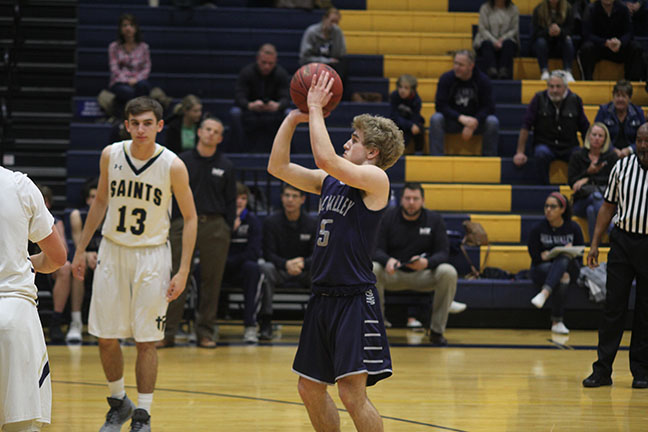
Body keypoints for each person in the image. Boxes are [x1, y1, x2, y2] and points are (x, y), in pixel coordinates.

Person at [267, 70, 404, 432]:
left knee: (351, 394)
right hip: (322, 297)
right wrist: (294, 116)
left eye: (354, 140)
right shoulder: (331, 181)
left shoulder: (377, 180)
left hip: (354, 299)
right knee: (309, 388)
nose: (347, 144)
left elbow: (327, 158)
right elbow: (277, 167)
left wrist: (314, 107)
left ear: (371, 152)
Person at [71, 96, 197, 431]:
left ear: (159, 125)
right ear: (126, 125)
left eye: (147, 123)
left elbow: (191, 217)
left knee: (146, 340)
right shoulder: (111, 154)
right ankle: (118, 402)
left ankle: (143, 413)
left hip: (153, 255)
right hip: (113, 251)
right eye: (135, 123)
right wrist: (81, 248)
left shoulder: (173, 165)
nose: (141, 129)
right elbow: (99, 201)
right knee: (105, 336)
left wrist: (183, 270)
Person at [158, 116, 236, 349]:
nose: (211, 134)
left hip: (215, 226)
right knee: (176, 277)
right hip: (183, 225)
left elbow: (231, 201)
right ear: (199, 133)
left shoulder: (227, 165)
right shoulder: (181, 162)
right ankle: (167, 332)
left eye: (216, 131)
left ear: (220, 138)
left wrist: (226, 227)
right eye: (207, 129)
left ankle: (205, 332)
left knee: (212, 281)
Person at [0, 167, 67, 432]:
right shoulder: (19, 185)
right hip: (15, 314)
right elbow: (57, 257)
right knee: (21, 426)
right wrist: (27, 262)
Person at [583, 122, 648, 389]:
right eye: (640, 140)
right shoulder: (622, 167)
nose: (643, 145)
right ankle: (603, 370)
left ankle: (642, 371)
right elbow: (607, 206)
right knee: (613, 307)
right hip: (622, 241)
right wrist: (595, 242)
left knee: (645, 310)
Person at [372, 183, 467, 345]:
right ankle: (377, 330)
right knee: (373, 268)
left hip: (423, 274)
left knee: (448, 272)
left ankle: (437, 331)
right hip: (393, 273)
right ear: (401, 200)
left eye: (415, 199)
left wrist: (427, 263)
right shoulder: (387, 217)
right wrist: (387, 260)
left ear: (422, 201)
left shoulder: (434, 219)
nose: (411, 202)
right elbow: (374, 249)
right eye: (407, 198)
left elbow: (443, 253)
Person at [259, 183, 317, 341]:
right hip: (280, 270)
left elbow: (318, 255)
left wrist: (303, 264)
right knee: (265, 268)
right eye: (287, 196)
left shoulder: (312, 223)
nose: (290, 200)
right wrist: (286, 264)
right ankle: (265, 321)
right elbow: (268, 254)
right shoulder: (271, 222)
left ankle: (317, 324)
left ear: (302, 199)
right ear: (282, 198)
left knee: (322, 271)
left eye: (294, 196)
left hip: (304, 270)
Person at [513, 70, 590, 184]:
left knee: (579, 155)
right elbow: (526, 126)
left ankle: (576, 187)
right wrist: (520, 152)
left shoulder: (575, 100)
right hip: (545, 145)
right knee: (541, 154)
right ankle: (543, 188)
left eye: (558, 87)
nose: (554, 90)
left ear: (565, 87)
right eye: (551, 86)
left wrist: (591, 152)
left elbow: (585, 128)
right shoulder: (539, 98)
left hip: (569, 146)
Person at [528, 192, 585, 334]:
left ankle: (544, 293)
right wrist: (545, 257)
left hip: (571, 267)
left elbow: (580, 256)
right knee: (562, 276)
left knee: (564, 257)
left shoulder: (573, 228)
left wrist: (569, 252)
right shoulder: (537, 229)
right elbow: (535, 257)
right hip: (542, 269)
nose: (548, 210)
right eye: (546, 206)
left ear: (562, 209)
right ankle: (557, 322)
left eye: (553, 207)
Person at [429, 50, 499, 156]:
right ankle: (436, 158)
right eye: (455, 63)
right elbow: (440, 105)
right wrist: (461, 118)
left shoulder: (483, 80)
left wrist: (474, 122)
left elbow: (489, 107)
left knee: (492, 122)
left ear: (471, 66)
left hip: (475, 122)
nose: (456, 67)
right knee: (436, 119)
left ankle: (489, 158)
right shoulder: (446, 78)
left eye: (461, 65)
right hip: (454, 120)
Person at [223, 182, 265, 344]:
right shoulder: (221, 220)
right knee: (202, 269)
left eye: (243, 198)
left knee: (253, 269)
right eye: (236, 198)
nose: (239, 202)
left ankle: (250, 326)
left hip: (241, 267)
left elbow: (253, 252)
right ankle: (205, 325)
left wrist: (231, 262)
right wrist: (229, 229)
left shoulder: (252, 220)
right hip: (222, 266)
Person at [230, 43, 291, 151]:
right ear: (257, 59)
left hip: (274, 112)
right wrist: (249, 105)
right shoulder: (247, 72)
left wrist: (278, 105)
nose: (267, 66)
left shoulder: (281, 74)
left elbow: (286, 97)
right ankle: (238, 150)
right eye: (264, 63)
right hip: (250, 111)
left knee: (289, 114)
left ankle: (286, 150)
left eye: (270, 63)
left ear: (275, 61)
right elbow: (239, 95)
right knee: (235, 113)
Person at [35, 185, 73, 344]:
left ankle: (56, 321)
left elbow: (62, 252)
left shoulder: (54, 221)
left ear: (49, 204)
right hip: (24, 265)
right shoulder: (21, 216)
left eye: (45, 201)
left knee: (65, 267)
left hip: (45, 266)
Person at [568, 122, 618, 241]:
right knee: (595, 197)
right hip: (581, 201)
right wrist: (588, 172)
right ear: (588, 136)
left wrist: (588, 178)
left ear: (605, 139)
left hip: (606, 200)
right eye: (594, 135)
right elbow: (572, 182)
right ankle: (611, 229)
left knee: (591, 210)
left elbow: (615, 181)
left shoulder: (611, 157)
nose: (596, 138)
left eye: (600, 136)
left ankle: (594, 245)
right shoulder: (577, 156)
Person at [66, 178, 102, 344]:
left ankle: (106, 324)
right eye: (93, 196)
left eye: (99, 196)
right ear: (87, 199)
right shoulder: (77, 215)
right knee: (78, 269)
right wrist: (87, 255)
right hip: (86, 258)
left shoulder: (113, 216)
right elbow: (79, 245)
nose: (96, 200)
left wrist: (100, 258)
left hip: (107, 260)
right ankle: (76, 322)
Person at [578, 0, 644, 81]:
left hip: (618, 47)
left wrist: (620, 42)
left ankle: (632, 82)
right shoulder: (591, 9)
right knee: (586, 48)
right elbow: (586, 34)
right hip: (599, 47)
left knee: (636, 47)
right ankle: (587, 80)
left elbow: (629, 32)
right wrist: (605, 42)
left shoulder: (623, 8)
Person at [108, 13, 152, 119]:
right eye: (125, 25)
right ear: (120, 29)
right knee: (127, 92)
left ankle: (137, 117)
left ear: (136, 28)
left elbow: (146, 68)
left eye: (131, 25)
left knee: (144, 86)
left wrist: (136, 79)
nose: (128, 28)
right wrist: (127, 80)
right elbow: (114, 68)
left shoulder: (144, 47)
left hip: (138, 81)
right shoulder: (114, 47)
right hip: (120, 81)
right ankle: (127, 118)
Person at [299, 8, 348, 99]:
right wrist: (325, 61)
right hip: (314, 64)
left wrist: (336, 35)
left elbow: (340, 54)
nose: (334, 24)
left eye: (336, 22)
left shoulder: (337, 32)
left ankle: (337, 97)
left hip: (330, 65)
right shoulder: (312, 32)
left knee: (343, 65)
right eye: (332, 21)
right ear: (324, 19)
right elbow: (304, 57)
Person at [594, 80, 645, 159]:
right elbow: (596, 133)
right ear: (613, 97)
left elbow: (644, 137)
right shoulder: (603, 111)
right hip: (607, 154)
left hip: (633, 154)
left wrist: (630, 149)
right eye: (617, 96)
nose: (620, 99)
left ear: (629, 98)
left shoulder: (638, 112)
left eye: (624, 96)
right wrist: (612, 149)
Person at [473, 0, 520, 79]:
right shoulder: (485, 8)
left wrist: (503, 39)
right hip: (487, 39)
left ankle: (504, 70)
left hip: (506, 40)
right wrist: (494, 41)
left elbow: (514, 29)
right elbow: (482, 29)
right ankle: (491, 70)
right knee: (486, 44)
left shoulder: (514, 9)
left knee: (509, 43)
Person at [531, 0, 576, 81]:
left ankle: (568, 71)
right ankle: (544, 71)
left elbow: (572, 30)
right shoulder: (539, 9)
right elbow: (535, 33)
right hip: (545, 44)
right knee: (540, 42)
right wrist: (548, 32)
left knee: (568, 40)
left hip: (560, 44)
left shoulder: (568, 8)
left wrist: (560, 32)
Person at [389, 74, 425, 154]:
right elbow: (393, 116)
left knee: (419, 128)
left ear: (412, 90)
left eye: (406, 88)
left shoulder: (416, 100)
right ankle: (396, 152)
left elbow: (416, 117)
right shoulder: (394, 96)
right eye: (400, 87)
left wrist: (413, 125)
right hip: (397, 122)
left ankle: (418, 151)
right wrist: (410, 125)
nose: (402, 90)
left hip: (409, 122)